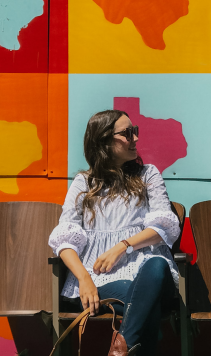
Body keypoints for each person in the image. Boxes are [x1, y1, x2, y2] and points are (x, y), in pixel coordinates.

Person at [48, 110, 181, 356]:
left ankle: (121, 349)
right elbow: (64, 239)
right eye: (127, 133)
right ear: (103, 141)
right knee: (144, 307)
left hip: (148, 275)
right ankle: (124, 350)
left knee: (157, 265)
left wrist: (123, 246)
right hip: (97, 281)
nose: (135, 139)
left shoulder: (147, 175)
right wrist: (83, 279)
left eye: (135, 131)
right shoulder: (83, 183)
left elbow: (164, 227)